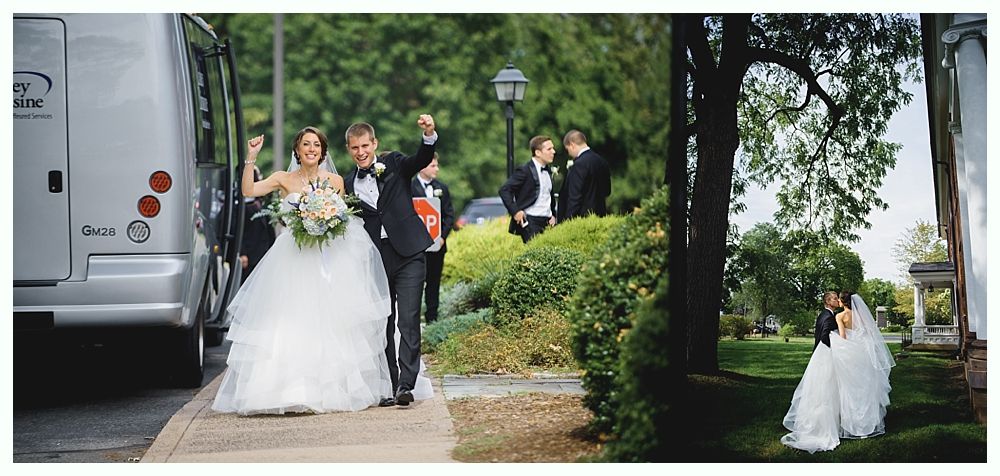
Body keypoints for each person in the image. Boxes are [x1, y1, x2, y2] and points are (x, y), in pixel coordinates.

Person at [212, 126, 393, 415]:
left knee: (328, 323)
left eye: (317, 145)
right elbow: (248, 190)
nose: (311, 149)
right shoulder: (283, 179)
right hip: (291, 259)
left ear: (323, 152)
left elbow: (346, 220)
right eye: (306, 144)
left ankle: (327, 391)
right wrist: (251, 157)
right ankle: (285, 390)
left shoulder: (335, 181)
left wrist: (328, 223)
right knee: (289, 320)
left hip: (328, 259)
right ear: (297, 149)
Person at [343, 115, 438, 407]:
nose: (361, 152)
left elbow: (422, 157)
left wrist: (429, 133)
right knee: (383, 322)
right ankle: (391, 382)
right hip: (375, 259)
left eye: (365, 146)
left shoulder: (395, 164)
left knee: (408, 320)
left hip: (409, 253)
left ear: (375, 144)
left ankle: (406, 385)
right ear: (349, 150)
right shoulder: (347, 184)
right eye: (354, 148)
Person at [781, 291, 896, 453]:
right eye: (834, 298)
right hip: (860, 352)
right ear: (829, 302)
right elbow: (861, 333)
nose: (837, 300)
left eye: (838, 298)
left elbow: (842, 337)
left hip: (844, 351)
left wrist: (839, 347)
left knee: (843, 388)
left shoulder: (839, 316)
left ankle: (845, 421)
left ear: (842, 302)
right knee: (861, 387)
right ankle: (863, 423)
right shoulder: (859, 316)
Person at [411, 153, 454, 324]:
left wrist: (442, 236)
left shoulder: (442, 188)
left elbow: (449, 215)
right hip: (416, 247)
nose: (437, 169)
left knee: (434, 283)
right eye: (433, 166)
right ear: (422, 167)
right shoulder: (409, 186)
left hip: (438, 245)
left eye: (437, 165)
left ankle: (432, 320)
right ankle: (413, 319)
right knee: (415, 283)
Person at [499, 135, 557, 243]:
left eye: (553, 148)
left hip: (548, 223)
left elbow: (548, 195)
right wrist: (515, 212)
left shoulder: (547, 170)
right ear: (538, 152)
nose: (553, 151)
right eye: (549, 149)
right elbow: (504, 190)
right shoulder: (525, 170)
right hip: (531, 222)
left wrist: (553, 215)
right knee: (537, 255)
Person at [557, 129, 611, 221]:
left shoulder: (579, 164)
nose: (569, 153)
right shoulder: (602, 161)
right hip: (601, 217)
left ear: (572, 145)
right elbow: (607, 191)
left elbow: (575, 197)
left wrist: (567, 221)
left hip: (583, 219)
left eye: (568, 149)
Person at [238, 165, 277, 285]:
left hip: (263, 253)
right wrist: (242, 252)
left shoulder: (261, 202)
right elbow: (237, 230)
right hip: (249, 256)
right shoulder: (238, 205)